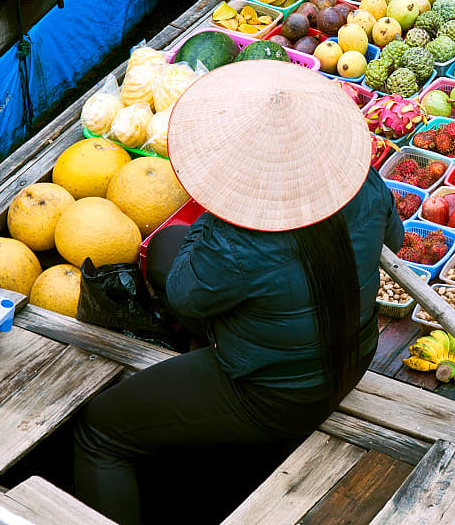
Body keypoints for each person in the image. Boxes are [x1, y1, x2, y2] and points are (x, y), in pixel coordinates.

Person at [74, 60, 404, 524]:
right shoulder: (362, 183)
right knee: (175, 249)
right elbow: (393, 239)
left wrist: (216, 219)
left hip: (274, 394)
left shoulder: (235, 241)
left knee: (99, 434)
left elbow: (186, 296)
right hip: (354, 352)